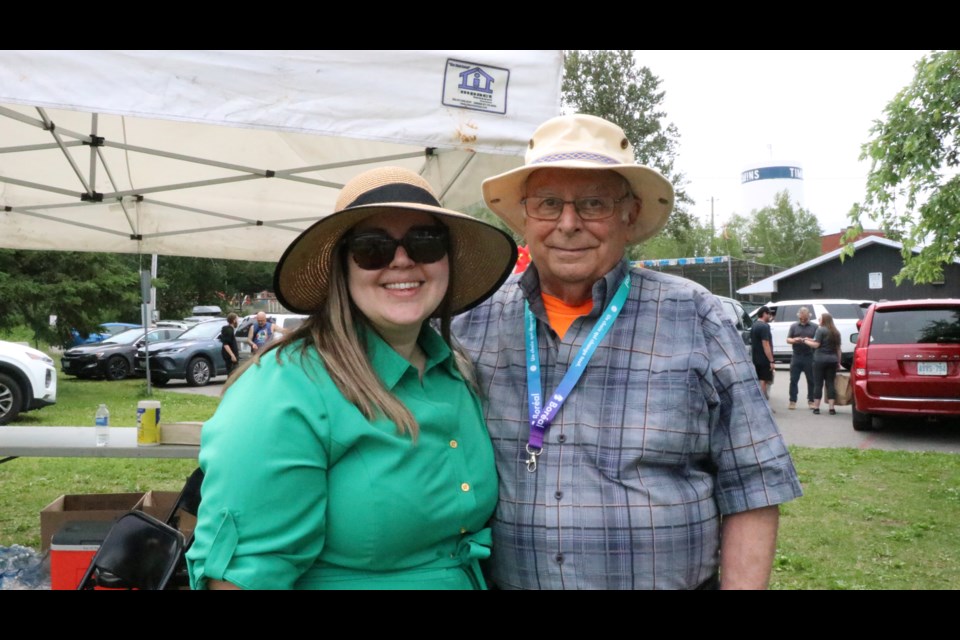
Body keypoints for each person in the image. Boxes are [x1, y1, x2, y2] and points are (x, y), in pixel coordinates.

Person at [452, 113, 802, 590]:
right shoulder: (472, 322)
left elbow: (755, 482)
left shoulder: (695, 315)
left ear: (629, 214)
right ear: (525, 217)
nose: (568, 224)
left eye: (593, 204)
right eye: (549, 203)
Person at [186, 167, 517, 590]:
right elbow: (240, 581)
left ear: (446, 259)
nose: (403, 259)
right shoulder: (286, 387)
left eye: (425, 242)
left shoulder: (456, 373)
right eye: (372, 247)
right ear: (342, 267)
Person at [807, 312, 842, 415]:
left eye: (820, 319)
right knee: (830, 383)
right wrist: (838, 362)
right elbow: (838, 349)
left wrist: (805, 341)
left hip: (819, 360)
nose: (819, 320)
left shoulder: (820, 330)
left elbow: (816, 345)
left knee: (818, 384)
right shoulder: (836, 332)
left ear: (824, 320)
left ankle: (816, 408)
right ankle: (831, 408)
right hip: (832, 360)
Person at [786, 306, 818, 409]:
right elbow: (788, 339)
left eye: (805, 318)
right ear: (799, 316)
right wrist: (795, 340)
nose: (803, 319)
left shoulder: (815, 326)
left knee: (811, 380)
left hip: (810, 356)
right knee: (793, 379)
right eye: (801, 317)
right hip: (796, 356)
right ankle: (792, 401)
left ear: (809, 316)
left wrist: (808, 340)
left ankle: (811, 400)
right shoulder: (794, 326)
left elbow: (818, 341)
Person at [751, 306, 777, 399]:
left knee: (759, 379)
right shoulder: (764, 326)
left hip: (756, 358)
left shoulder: (754, 325)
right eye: (769, 314)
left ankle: (761, 402)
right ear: (764, 314)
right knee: (764, 380)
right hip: (764, 359)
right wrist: (771, 361)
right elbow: (766, 344)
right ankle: (763, 403)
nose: (770, 316)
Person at [219, 312, 240, 377]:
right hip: (230, 357)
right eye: (237, 319)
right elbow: (226, 344)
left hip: (231, 356)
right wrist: (232, 355)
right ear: (234, 320)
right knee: (232, 373)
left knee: (233, 373)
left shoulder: (231, 330)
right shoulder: (228, 330)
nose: (238, 321)